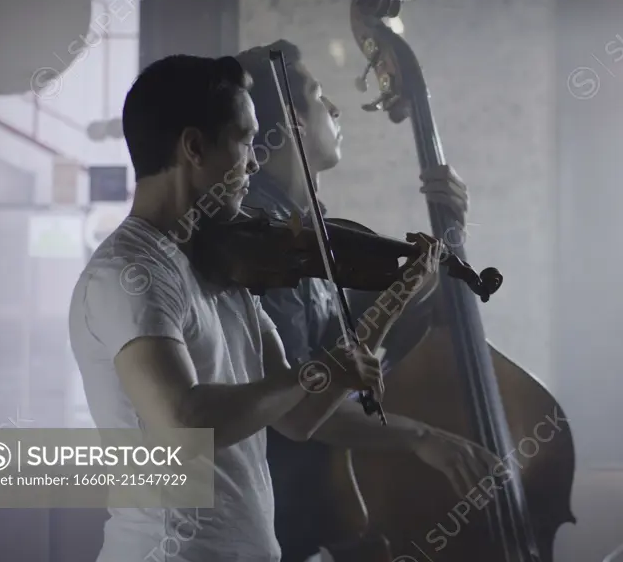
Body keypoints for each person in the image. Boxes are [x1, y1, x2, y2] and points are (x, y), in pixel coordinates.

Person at [67, 54, 439, 562]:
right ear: (195, 147)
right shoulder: (131, 274)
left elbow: (300, 417)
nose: (256, 161)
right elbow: (184, 423)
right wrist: (316, 371)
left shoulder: (221, 266)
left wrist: (393, 300)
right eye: (244, 140)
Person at [235, 40, 499, 562]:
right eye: (318, 96)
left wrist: (449, 238)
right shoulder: (267, 246)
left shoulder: (305, 236)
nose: (334, 109)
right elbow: (302, 405)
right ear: (291, 120)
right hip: (279, 519)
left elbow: (364, 348)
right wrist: (420, 436)